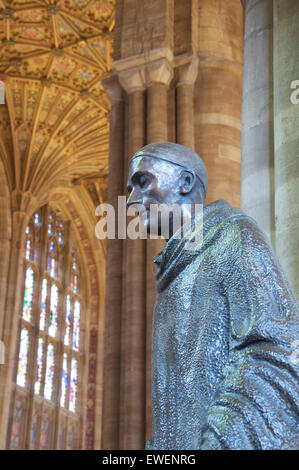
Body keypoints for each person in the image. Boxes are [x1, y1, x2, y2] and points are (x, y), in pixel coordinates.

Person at [126, 142, 299, 450]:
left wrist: (219, 439)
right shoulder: (172, 275)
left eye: (142, 182)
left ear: (185, 182)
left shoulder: (234, 236)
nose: (131, 201)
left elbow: (274, 350)